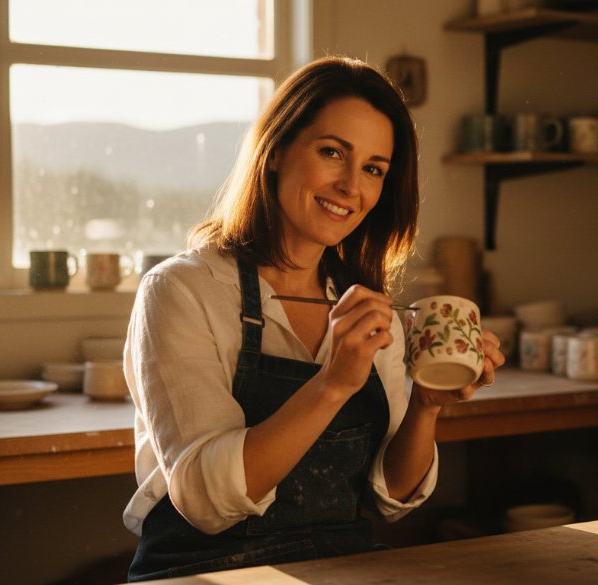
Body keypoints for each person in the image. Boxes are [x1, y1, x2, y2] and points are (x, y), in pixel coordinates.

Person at [122, 56, 505, 581]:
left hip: (341, 567)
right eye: (332, 153)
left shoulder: (367, 306)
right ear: (276, 151)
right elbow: (204, 503)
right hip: (205, 570)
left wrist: (426, 406)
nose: (352, 186)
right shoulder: (182, 289)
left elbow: (392, 499)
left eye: (373, 168)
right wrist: (332, 385)